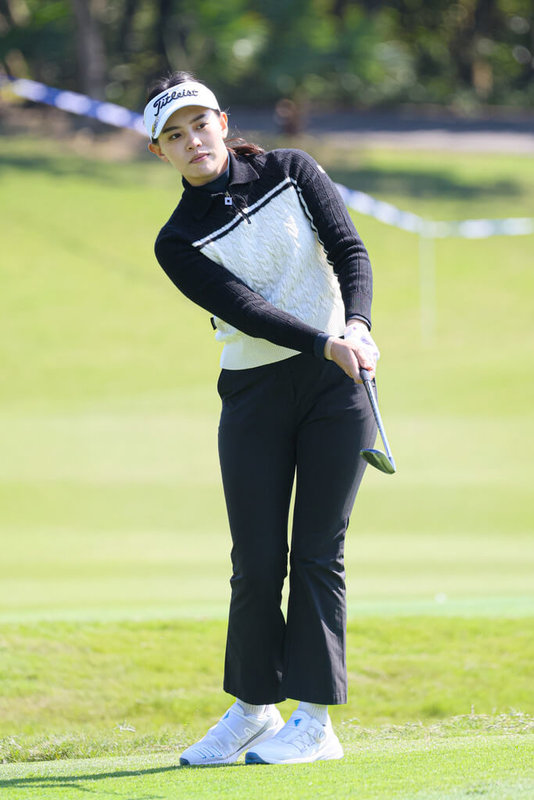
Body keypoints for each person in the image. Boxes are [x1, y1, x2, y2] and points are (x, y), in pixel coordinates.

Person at [144, 71, 380, 766]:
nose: (193, 141)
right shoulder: (177, 240)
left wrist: (358, 326)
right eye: (175, 136)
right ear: (160, 152)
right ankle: (253, 710)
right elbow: (246, 309)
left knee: (317, 553)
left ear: (222, 121)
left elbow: (350, 251)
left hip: (339, 389)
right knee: (254, 563)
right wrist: (326, 342)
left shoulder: (292, 170)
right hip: (255, 394)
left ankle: (315, 721)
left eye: (200, 124)